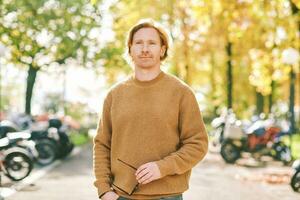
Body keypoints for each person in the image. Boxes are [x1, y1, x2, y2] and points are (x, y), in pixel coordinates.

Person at [93, 19, 208, 200]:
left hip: (168, 196)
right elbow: (102, 144)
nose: (145, 49)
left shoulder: (181, 93)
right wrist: (103, 189)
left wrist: (163, 168)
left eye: (152, 43)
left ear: (162, 49)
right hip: (121, 195)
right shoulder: (114, 95)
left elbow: (197, 144)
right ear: (130, 49)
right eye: (139, 43)